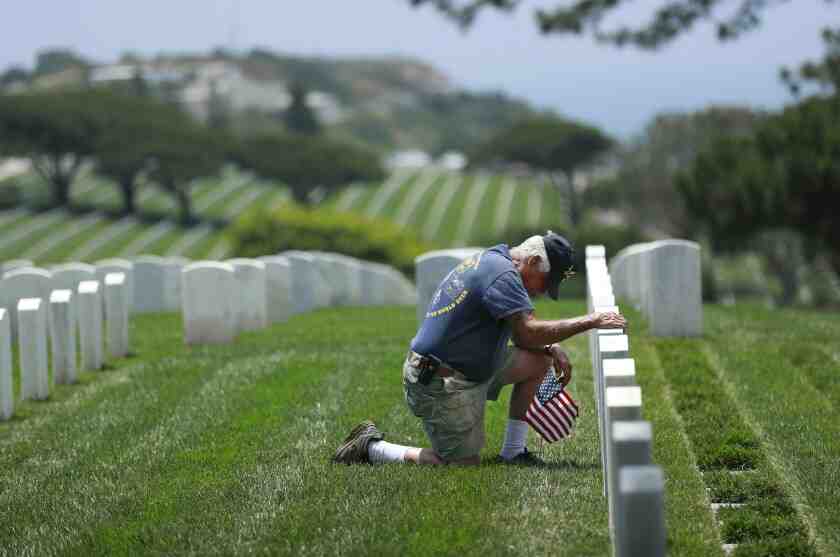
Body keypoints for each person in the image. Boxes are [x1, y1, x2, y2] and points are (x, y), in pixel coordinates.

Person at [333, 231, 627, 466]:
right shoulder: (502, 275)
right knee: (460, 465)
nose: (540, 292)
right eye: (544, 282)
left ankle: (513, 451)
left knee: (538, 360)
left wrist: (550, 347)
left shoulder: (494, 261)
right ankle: (372, 448)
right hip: (439, 381)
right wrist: (591, 321)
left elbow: (525, 338)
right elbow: (527, 330)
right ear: (533, 261)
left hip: (468, 367)